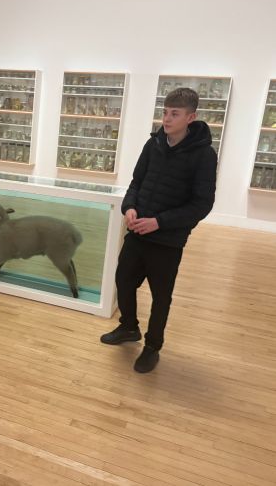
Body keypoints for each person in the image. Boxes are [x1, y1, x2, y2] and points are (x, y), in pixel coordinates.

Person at [100, 87, 217, 373]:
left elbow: (202, 204)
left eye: (174, 114)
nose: (166, 119)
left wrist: (159, 222)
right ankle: (129, 327)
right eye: (165, 112)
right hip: (138, 232)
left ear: (191, 117)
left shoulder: (204, 155)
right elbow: (136, 183)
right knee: (123, 280)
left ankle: (153, 346)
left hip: (168, 240)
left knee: (160, 296)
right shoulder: (153, 144)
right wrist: (130, 207)